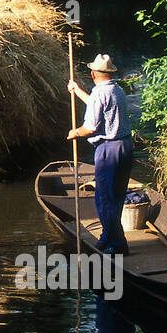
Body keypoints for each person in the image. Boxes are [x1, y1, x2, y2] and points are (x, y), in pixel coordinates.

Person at [66, 53, 133, 256]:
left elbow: (91, 127)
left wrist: (75, 132)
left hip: (108, 149)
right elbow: (98, 107)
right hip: (125, 147)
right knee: (117, 195)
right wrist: (78, 91)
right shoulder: (117, 90)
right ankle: (107, 236)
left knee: (104, 198)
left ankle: (118, 244)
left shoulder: (99, 93)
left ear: (94, 74)